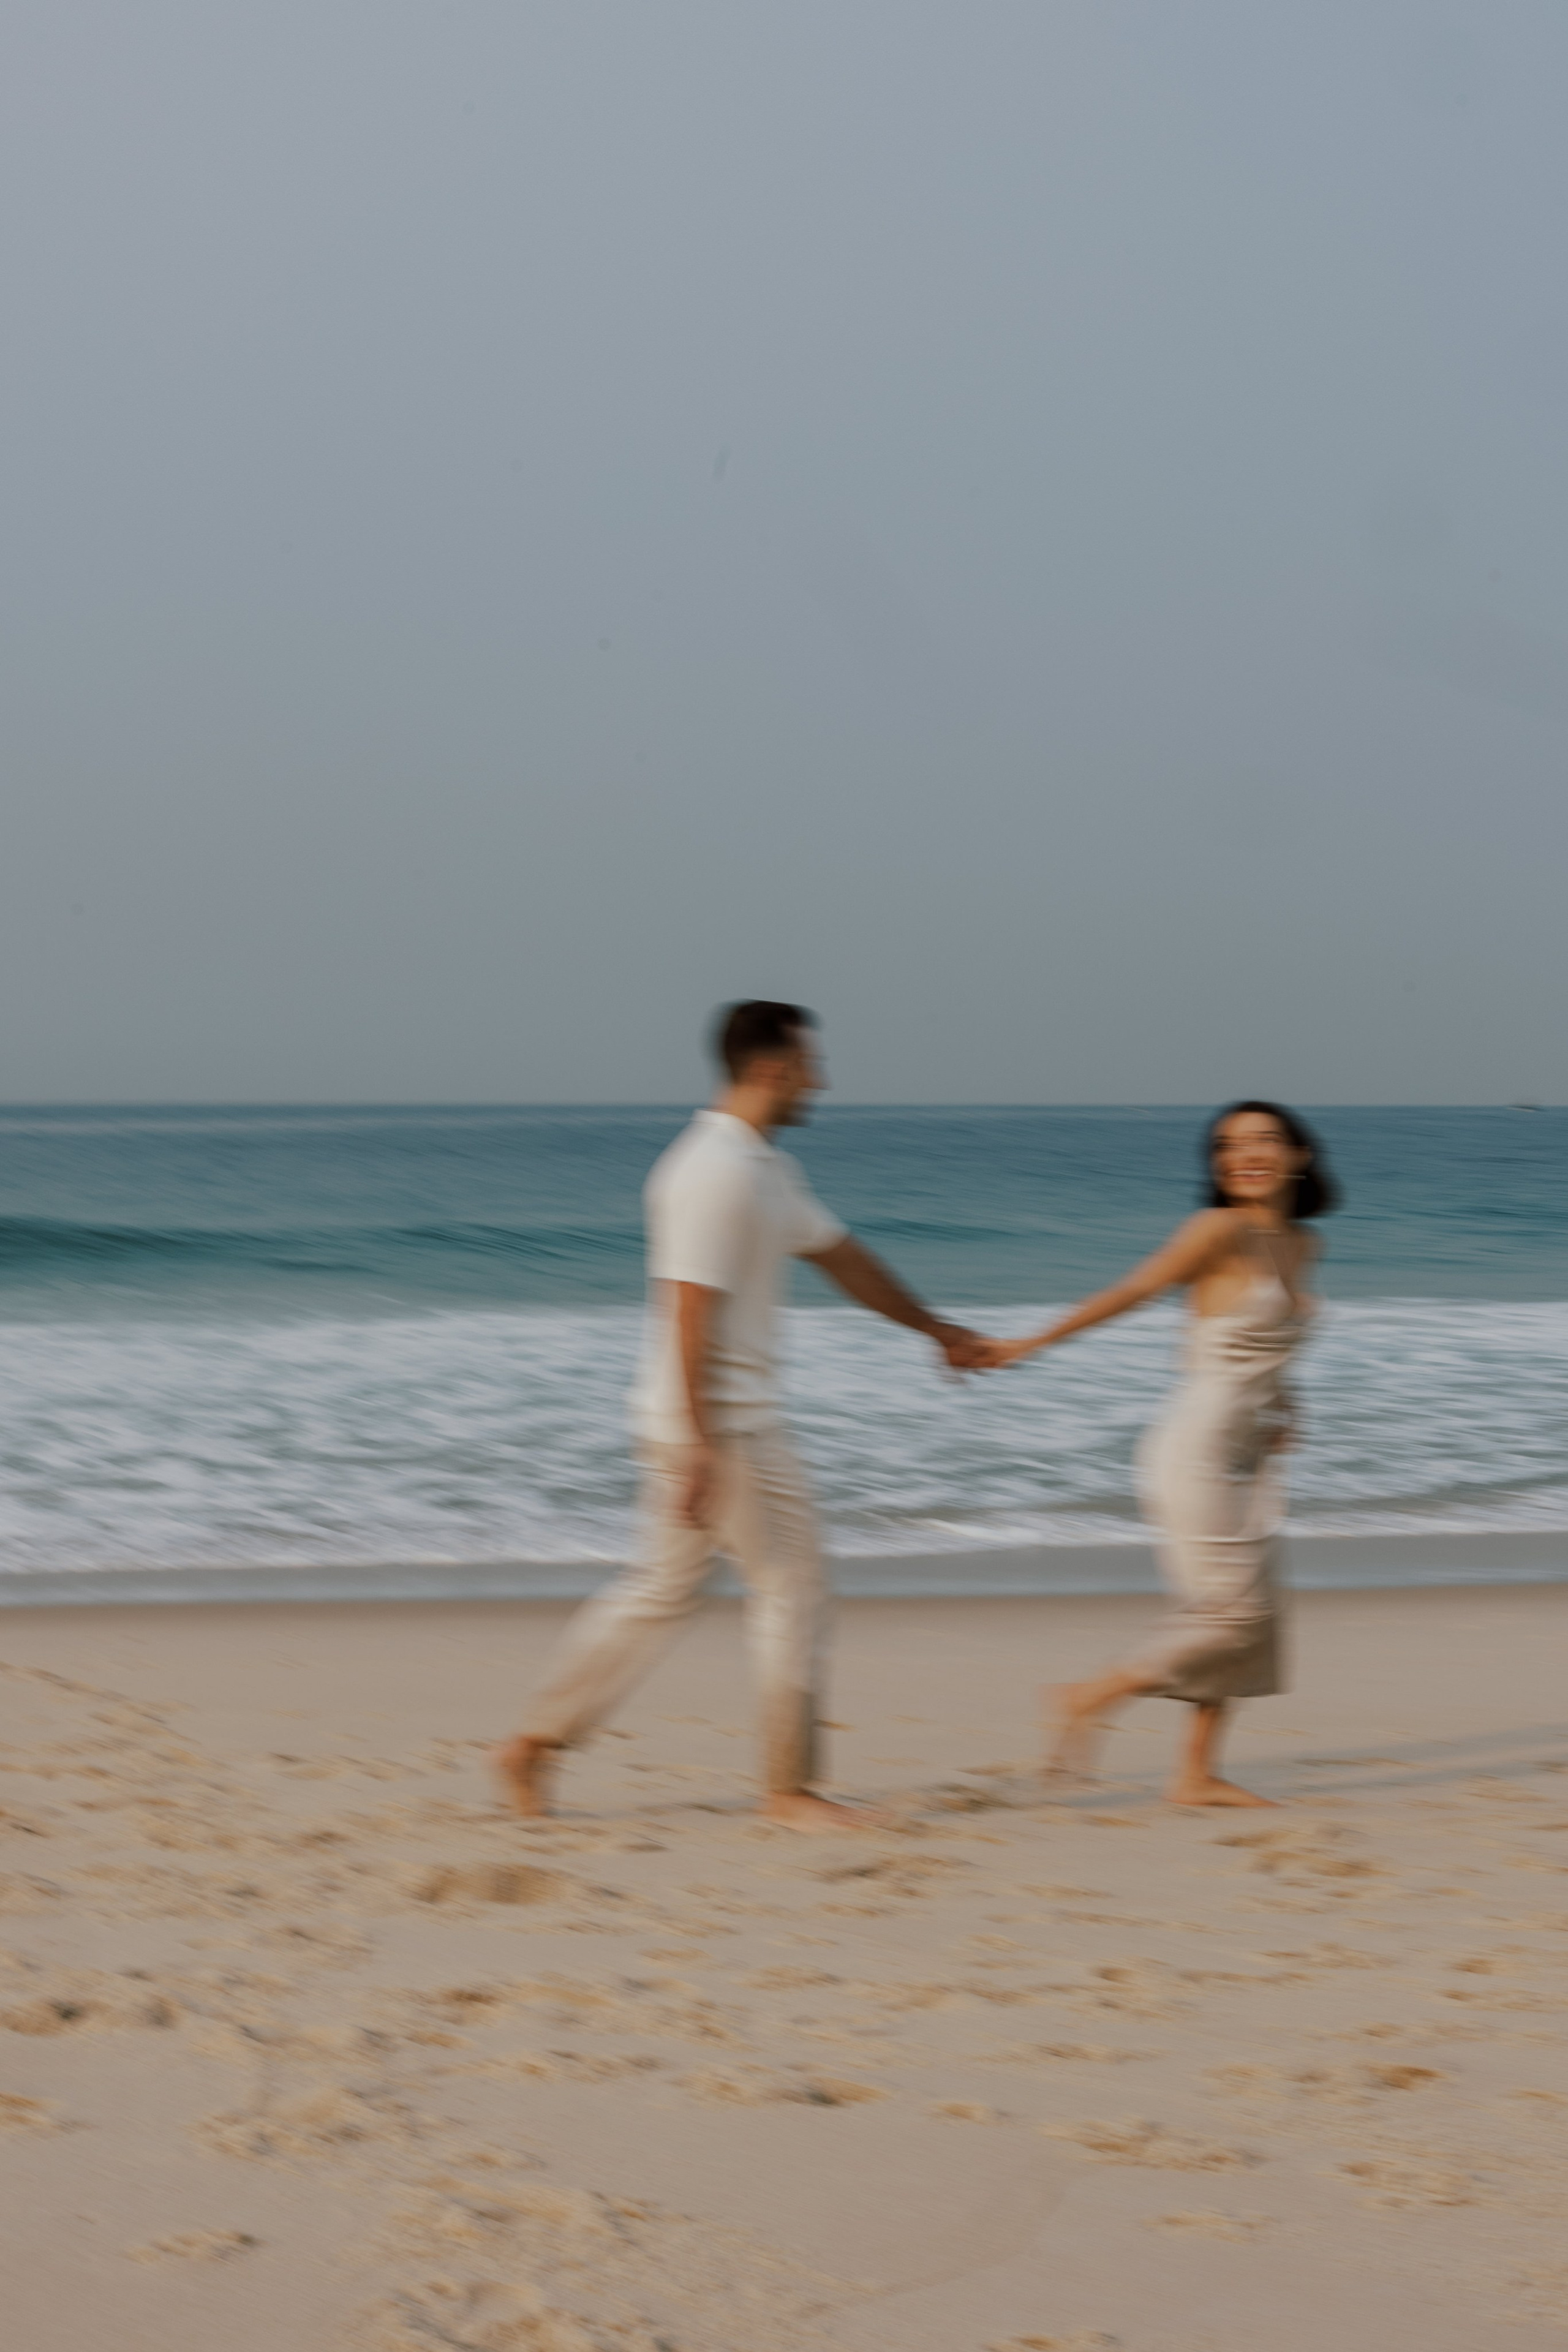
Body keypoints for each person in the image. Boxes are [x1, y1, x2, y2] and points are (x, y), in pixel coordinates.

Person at [496, 1002, 992, 1831]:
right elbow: (688, 1312)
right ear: (771, 1069)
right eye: (811, 1065)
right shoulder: (710, 1172)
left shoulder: (764, 1170)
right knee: (794, 1586)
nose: (821, 1082)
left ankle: (532, 1747)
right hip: (724, 1426)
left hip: (702, 1421)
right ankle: (789, 1791)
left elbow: (845, 1260)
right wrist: (700, 1445)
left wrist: (935, 1329)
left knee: (661, 1590)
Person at [984, 1101, 1337, 1808]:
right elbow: (1135, 1291)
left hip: (1252, 1450)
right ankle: (1088, 1696)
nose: (1245, 1155)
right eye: (1228, 1147)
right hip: (1196, 1447)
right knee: (1228, 1614)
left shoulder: (1303, 1244)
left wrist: (1288, 1408)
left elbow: (1273, 1347)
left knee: (1255, 1615)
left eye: (1264, 1140)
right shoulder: (1216, 1230)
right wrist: (1026, 1345)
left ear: (1300, 1154)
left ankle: (1196, 1774)